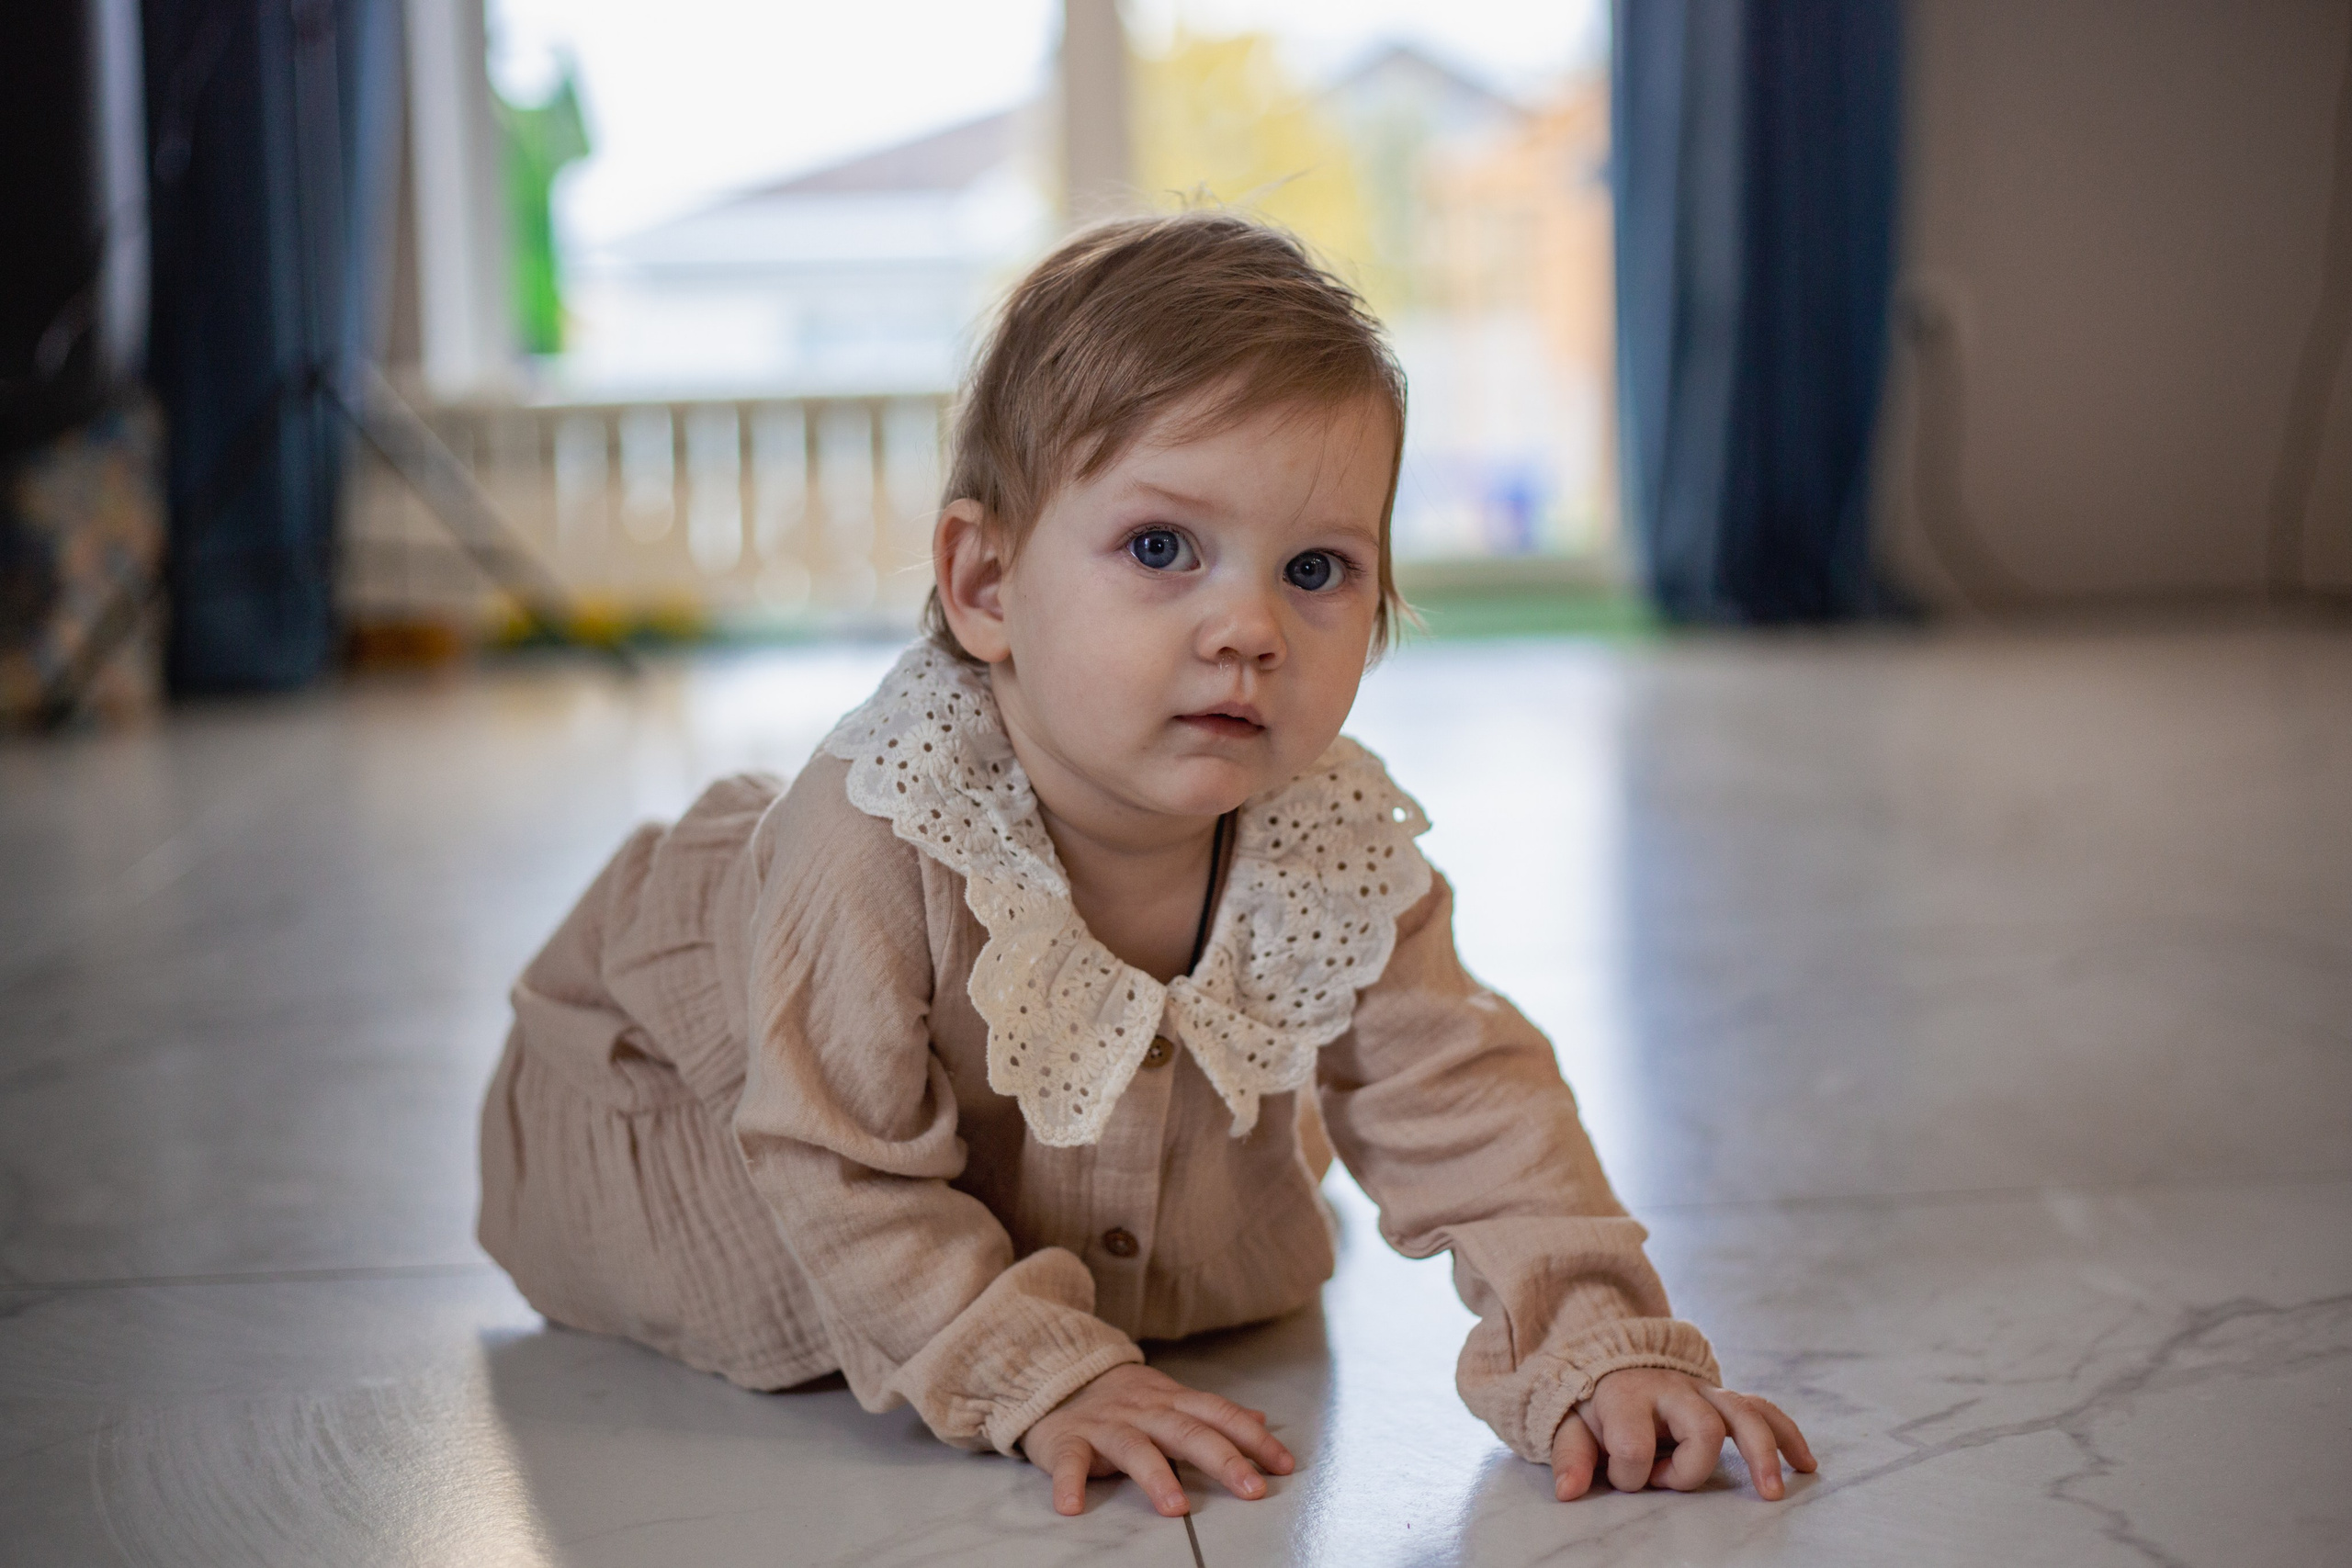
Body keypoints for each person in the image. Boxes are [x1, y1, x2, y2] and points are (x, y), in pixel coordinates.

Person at [478, 210, 1815, 1518]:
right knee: (818, 1249)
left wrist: (1596, 1342)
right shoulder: (872, 840)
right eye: (1162, 549)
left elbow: (1459, 1092)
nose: (1249, 627)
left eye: (1316, 569)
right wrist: (1039, 1375)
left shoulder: (1325, 837)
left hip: (1016, 1156)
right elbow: (836, 1162)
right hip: (716, 1115)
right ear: (987, 584)